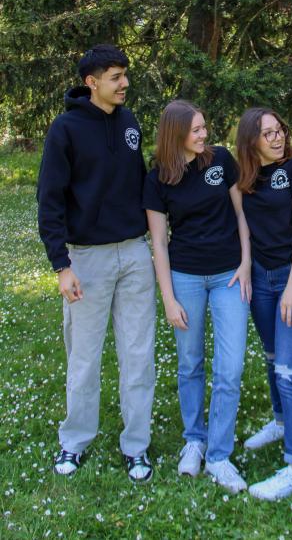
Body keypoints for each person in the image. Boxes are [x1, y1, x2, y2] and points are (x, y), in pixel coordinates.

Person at [37, 44, 155, 482]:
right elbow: (49, 201)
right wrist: (61, 265)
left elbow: (143, 184)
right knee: (84, 358)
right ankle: (74, 441)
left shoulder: (129, 123)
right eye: (115, 76)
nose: (124, 83)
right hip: (87, 259)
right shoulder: (65, 130)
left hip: (136, 254)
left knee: (139, 355)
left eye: (125, 74)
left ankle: (136, 446)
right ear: (92, 83)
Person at [143, 100, 251, 494]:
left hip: (228, 276)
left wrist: (245, 264)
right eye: (196, 131)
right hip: (185, 277)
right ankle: (195, 440)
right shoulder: (158, 177)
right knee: (190, 363)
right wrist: (168, 298)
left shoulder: (221, 161)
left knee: (231, 365)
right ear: (176, 135)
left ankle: (219, 455)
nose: (204, 136)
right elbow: (158, 241)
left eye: (205, 127)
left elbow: (241, 214)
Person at [236, 107, 292, 501]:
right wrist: (247, 267)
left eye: (279, 130)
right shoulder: (245, 178)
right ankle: (281, 421)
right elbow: (243, 227)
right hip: (261, 280)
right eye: (267, 133)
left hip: (291, 277)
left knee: (288, 368)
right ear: (251, 140)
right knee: (271, 357)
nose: (277, 137)